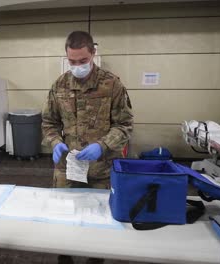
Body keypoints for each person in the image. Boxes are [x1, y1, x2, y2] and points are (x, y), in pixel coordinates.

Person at [41, 31, 134, 264]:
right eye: (72, 61)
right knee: (63, 219)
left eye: (82, 61)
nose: (77, 66)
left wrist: (102, 146)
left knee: (99, 222)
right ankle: (65, 257)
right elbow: (49, 123)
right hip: (67, 168)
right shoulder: (59, 85)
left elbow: (125, 125)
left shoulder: (112, 84)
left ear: (93, 54)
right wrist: (55, 143)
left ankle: (95, 259)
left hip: (100, 168)